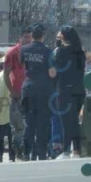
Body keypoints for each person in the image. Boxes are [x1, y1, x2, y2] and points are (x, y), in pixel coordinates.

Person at [20, 23, 56, 161]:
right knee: (42, 123)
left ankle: (25, 152)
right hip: (44, 90)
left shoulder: (24, 49)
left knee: (29, 123)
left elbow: (23, 64)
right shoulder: (48, 51)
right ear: (43, 36)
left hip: (28, 88)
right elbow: (52, 73)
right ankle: (40, 153)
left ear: (32, 36)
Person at [52, 26, 86, 158]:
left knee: (65, 121)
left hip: (64, 89)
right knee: (75, 121)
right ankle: (76, 150)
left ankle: (66, 150)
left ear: (64, 37)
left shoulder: (60, 51)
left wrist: (57, 46)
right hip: (79, 89)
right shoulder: (80, 52)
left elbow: (54, 71)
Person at [4, 27, 33, 161]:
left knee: (29, 124)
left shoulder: (33, 52)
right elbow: (5, 74)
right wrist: (12, 91)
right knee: (16, 126)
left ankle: (26, 152)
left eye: (30, 37)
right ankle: (15, 153)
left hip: (30, 94)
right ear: (20, 38)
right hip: (17, 95)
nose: (28, 39)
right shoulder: (12, 53)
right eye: (25, 37)